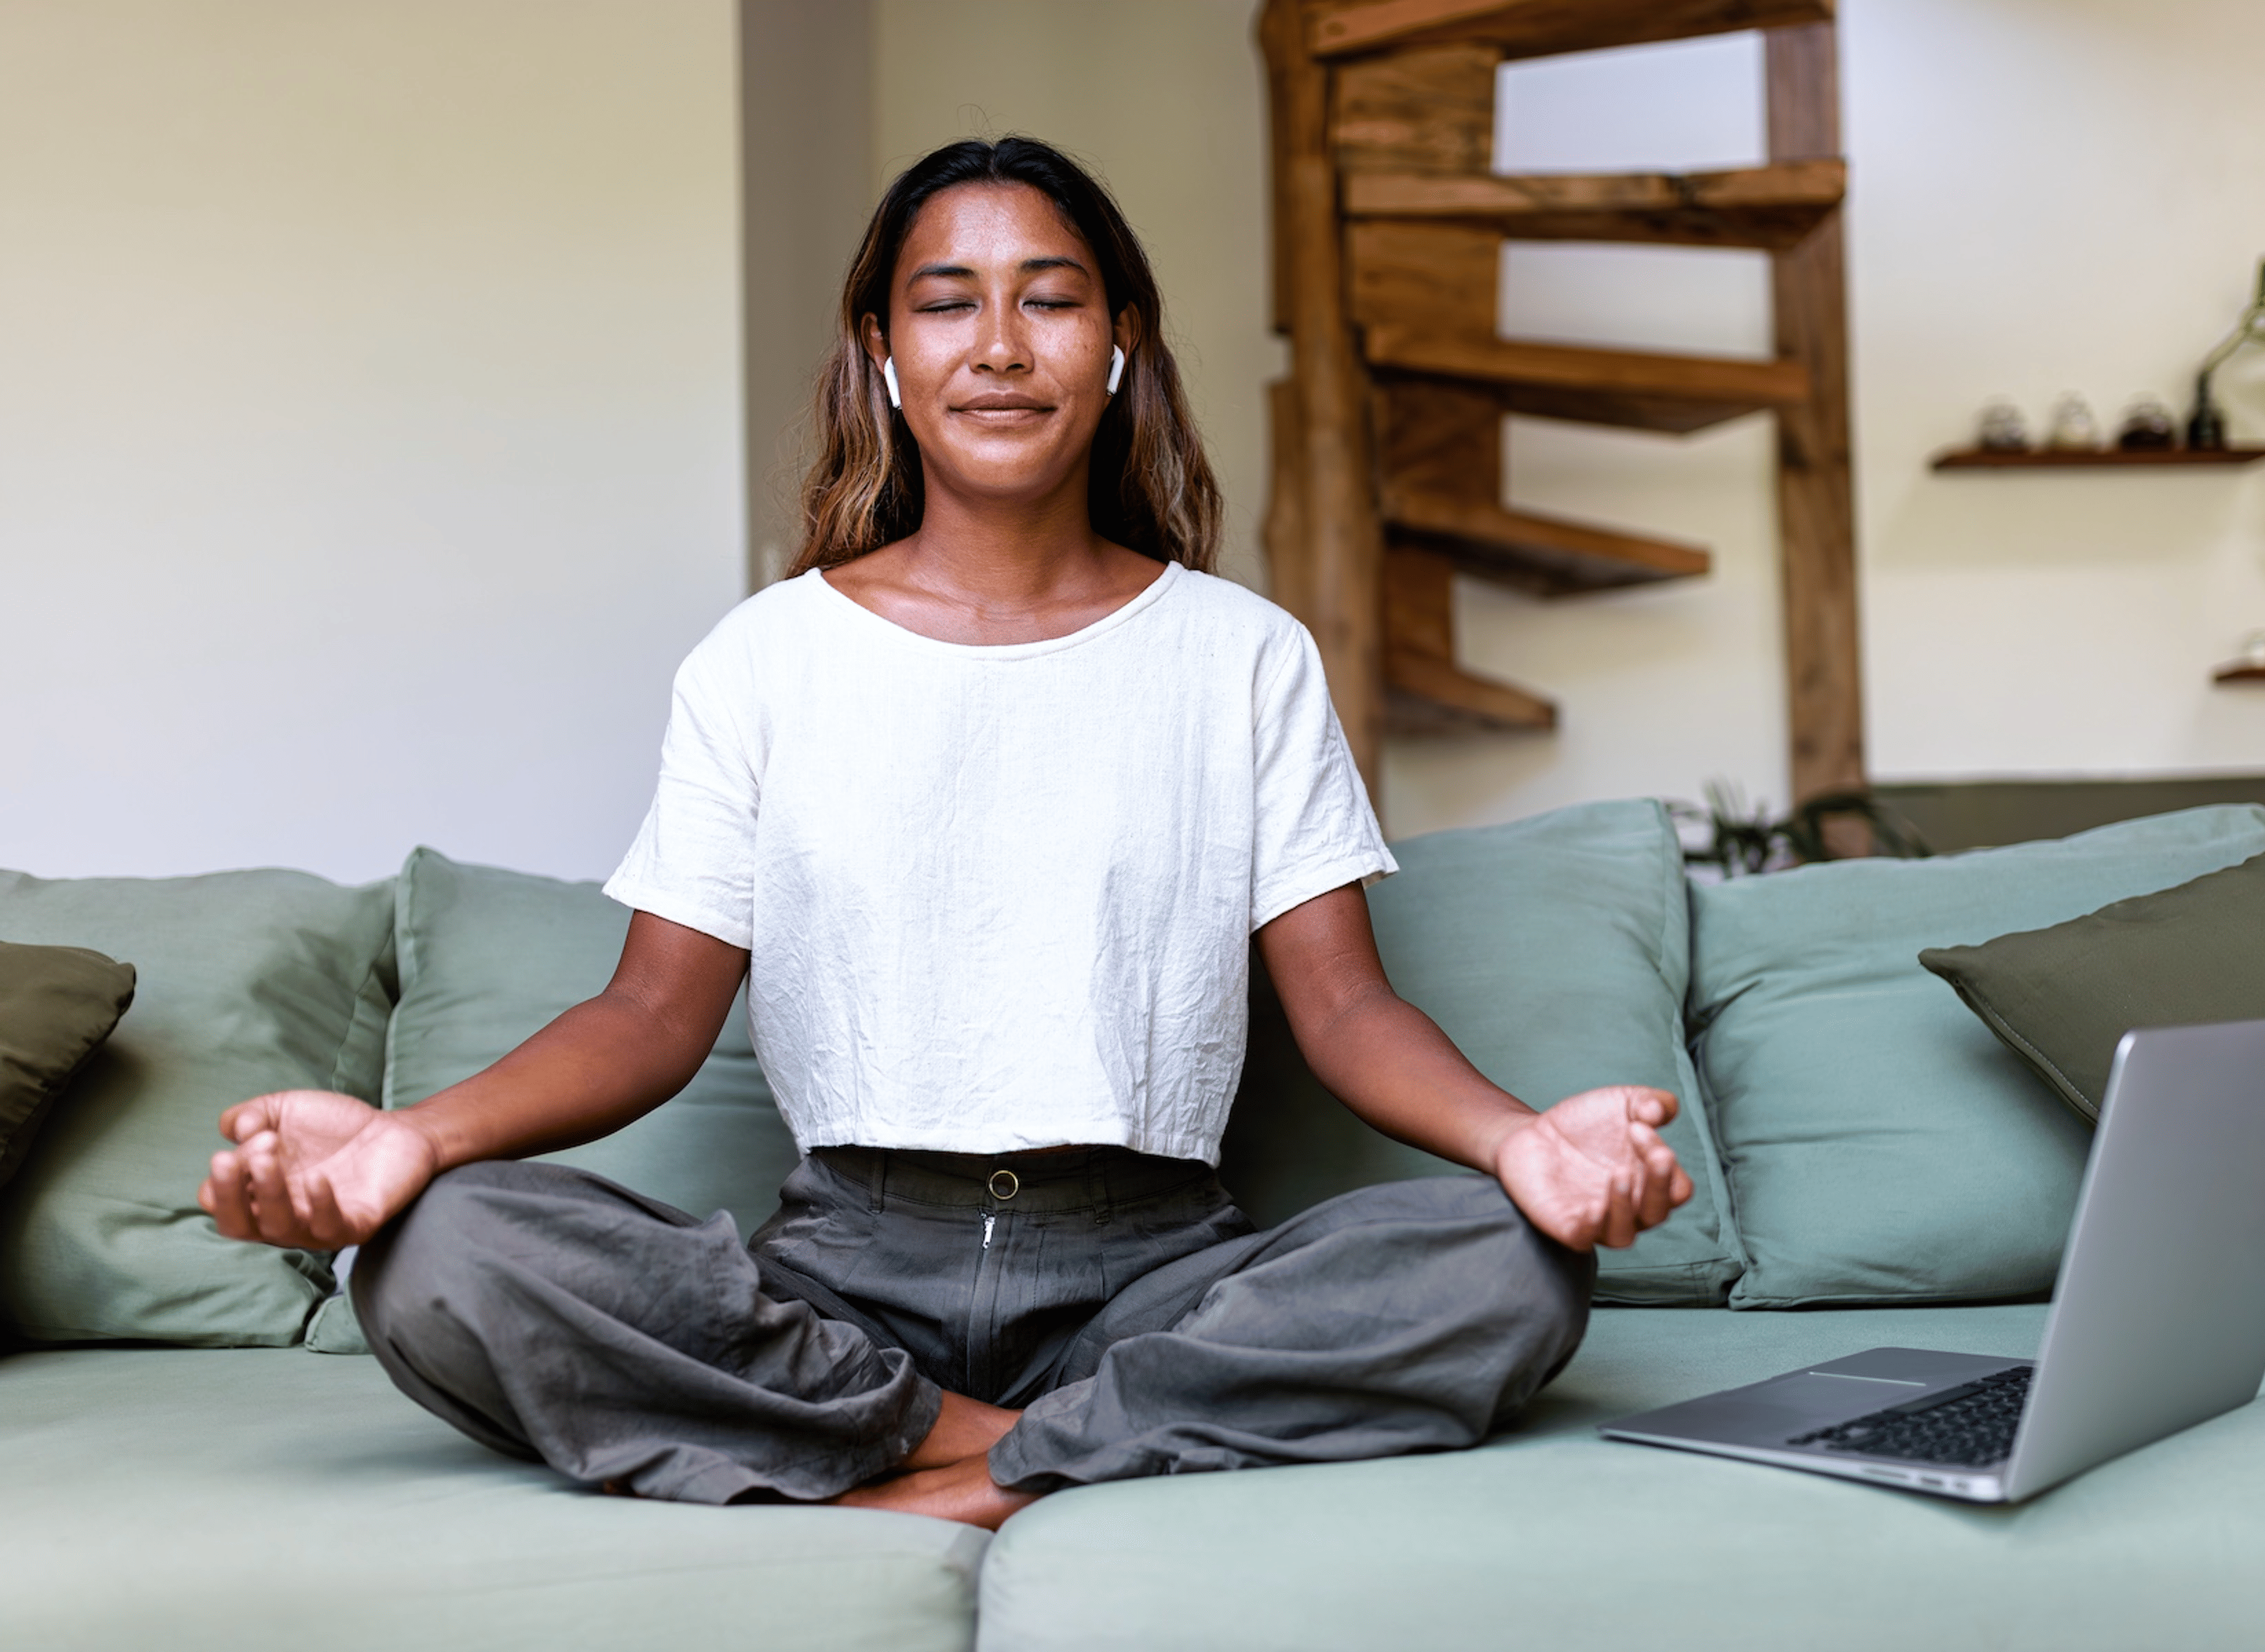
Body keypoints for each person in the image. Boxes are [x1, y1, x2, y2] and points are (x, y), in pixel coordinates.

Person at [197, 136, 1693, 1531]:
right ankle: (1035, 1445)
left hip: (1157, 1270)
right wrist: (409, 1138)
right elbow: (648, 1012)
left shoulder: (1242, 653)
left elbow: (1349, 1007)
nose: (998, 345)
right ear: (884, 352)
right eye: (946, 302)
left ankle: (937, 1465)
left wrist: (1524, 1140)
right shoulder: (764, 659)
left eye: (1050, 298)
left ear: (1119, 343)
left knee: (1514, 1264)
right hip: (841, 1278)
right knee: (436, 1248)